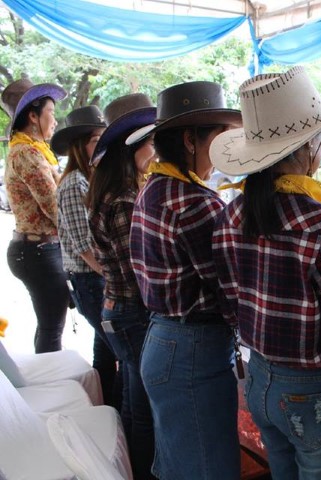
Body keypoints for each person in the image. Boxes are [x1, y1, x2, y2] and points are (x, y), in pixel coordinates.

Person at [209, 66, 321, 480]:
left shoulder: (232, 214)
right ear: (309, 147)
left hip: (260, 378)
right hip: (315, 391)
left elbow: (230, 304)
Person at [128, 81, 243, 480]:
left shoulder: (156, 187)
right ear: (191, 140)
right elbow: (229, 288)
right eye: (218, 137)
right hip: (193, 348)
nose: (224, 147)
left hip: (164, 338)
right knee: (210, 469)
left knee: (182, 465)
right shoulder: (194, 202)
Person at [87, 93, 157, 480]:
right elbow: (137, 270)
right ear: (132, 147)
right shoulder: (126, 200)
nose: (154, 150)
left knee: (132, 398)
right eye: (150, 142)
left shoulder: (110, 192)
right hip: (132, 312)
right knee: (144, 409)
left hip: (117, 309)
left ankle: (127, 469)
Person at [53, 105, 120, 407]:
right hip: (88, 278)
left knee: (105, 349)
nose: (101, 146)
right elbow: (84, 245)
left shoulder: (89, 178)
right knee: (118, 349)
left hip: (94, 277)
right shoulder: (73, 183)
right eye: (95, 140)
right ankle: (118, 410)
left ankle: (104, 407)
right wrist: (113, 277)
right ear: (80, 146)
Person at [1, 78, 69, 353]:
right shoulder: (27, 152)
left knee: (49, 324)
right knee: (52, 327)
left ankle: (50, 372)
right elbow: (54, 207)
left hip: (37, 248)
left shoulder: (33, 150)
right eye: (51, 112)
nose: (55, 120)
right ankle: (51, 375)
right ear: (33, 116)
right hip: (37, 250)